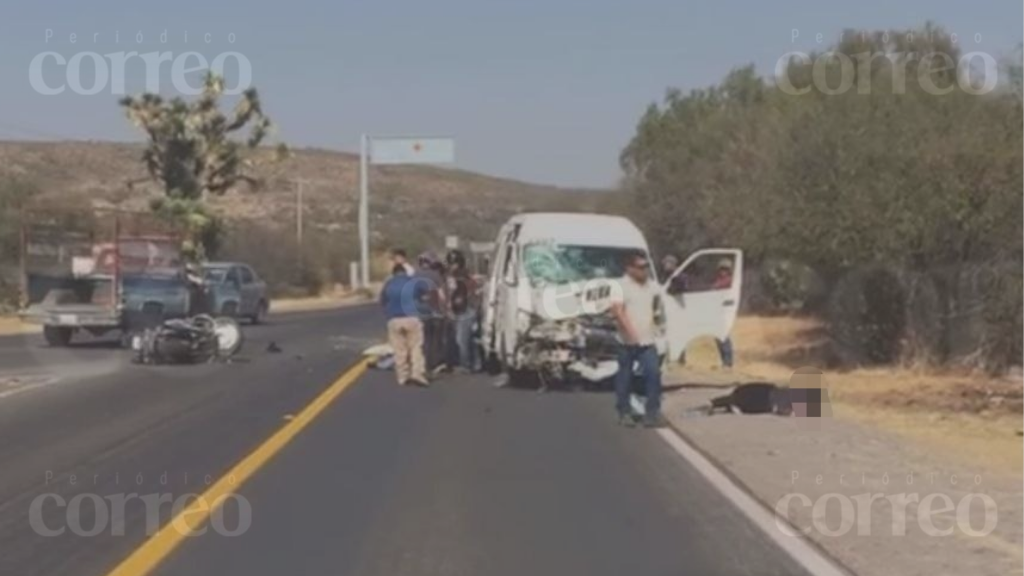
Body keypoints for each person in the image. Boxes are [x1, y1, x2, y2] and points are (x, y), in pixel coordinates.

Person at [609, 251, 666, 428]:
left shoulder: (652, 286)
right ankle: (624, 412)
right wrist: (630, 332)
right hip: (626, 340)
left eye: (647, 266)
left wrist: (660, 329)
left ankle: (652, 413)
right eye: (641, 267)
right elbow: (617, 311)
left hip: (648, 340)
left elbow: (661, 305)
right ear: (630, 268)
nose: (645, 270)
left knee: (653, 373)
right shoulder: (620, 286)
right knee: (625, 376)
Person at [379, 264, 429, 387]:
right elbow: (425, 295)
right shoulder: (413, 282)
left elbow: (382, 301)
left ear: (394, 273)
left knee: (399, 349)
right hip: (412, 318)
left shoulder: (389, 284)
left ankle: (402, 376)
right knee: (416, 347)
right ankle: (417, 373)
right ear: (405, 272)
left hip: (394, 319)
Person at [445, 249, 481, 372]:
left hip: (465, 309)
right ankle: (476, 363)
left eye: (453, 263)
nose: (452, 265)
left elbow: (453, 294)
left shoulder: (456, 277)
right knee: (470, 338)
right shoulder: (466, 276)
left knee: (461, 339)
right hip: (466, 309)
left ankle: (465, 365)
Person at [415, 252, 448, 373]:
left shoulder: (415, 275)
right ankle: (436, 362)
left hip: (421, 313)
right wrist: (444, 308)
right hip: (436, 312)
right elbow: (442, 295)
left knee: (425, 339)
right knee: (436, 339)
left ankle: (425, 363)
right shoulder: (436, 275)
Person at [712, 258, 735, 370]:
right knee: (718, 337)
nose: (723, 272)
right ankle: (724, 361)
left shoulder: (729, 281)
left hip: (724, 311)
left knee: (724, 335)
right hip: (717, 311)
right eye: (721, 269)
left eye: (725, 269)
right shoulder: (718, 280)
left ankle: (728, 362)